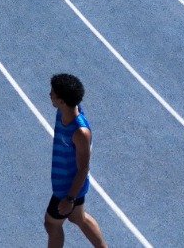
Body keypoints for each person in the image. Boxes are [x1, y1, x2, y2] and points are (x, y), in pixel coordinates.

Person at [44, 73, 106, 248]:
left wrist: (69, 198)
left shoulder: (80, 132)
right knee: (78, 217)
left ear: (62, 101)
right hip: (66, 183)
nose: (49, 94)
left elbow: (83, 168)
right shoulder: (63, 111)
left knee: (51, 223)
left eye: (53, 93)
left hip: (68, 187)